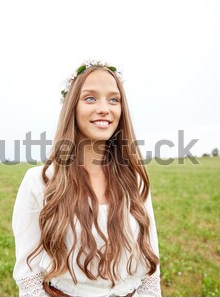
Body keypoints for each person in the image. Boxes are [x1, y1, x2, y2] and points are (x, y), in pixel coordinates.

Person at [12, 60, 162, 297]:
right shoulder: (40, 181)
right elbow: (28, 275)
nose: (105, 108)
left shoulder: (135, 179)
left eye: (114, 99)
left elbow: (151, 266)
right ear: (72, 107)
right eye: (90, 98)